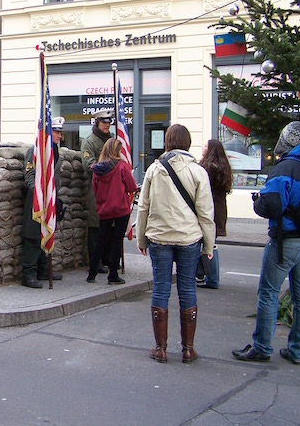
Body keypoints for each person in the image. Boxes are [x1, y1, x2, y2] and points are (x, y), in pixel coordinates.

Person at [232, 121, 300, 365]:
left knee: (268, 293)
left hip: (285, 241)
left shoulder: (284, 169)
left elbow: (270, 206)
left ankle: (262, 347)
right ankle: (298, 350)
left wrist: (257, 202)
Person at [136, 124, 215, 364]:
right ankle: (188, 349)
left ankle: (160, 348)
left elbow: (143, 207)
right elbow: (206, 213)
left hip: (159, 238)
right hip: (189, 238)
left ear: (168, 142)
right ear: (188, 142)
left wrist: (141, 238)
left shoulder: (154, 169)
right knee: (188, 289)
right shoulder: (198, 172)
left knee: (161, 288)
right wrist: (209, 246)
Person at [21, 116, 65, 288]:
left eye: (60, 132)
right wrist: (42, 195)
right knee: (32, 237)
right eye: (56, 131)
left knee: (46, 233)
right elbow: (29, 177)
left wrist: (55, 198)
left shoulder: (55, 152)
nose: (59, 135)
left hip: (50, 201)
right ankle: (28, 274)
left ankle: (43, 269)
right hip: (36, 202)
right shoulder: (35, 152)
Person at [88, 138, 138, 285]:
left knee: (100, 240)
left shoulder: (97, 169)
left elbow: (95, 189)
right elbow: (131, 186)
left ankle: (92, 273)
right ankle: (113, 275)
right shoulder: (122, 166)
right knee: (116, 242)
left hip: (104, 209)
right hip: (121, 208)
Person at [81, 108, 114, 275]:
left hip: (112, 189)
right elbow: (89, 166)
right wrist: (110, 168)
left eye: (109, 122)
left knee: (111, 225)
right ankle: (96, 259)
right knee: (96, 225)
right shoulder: (89, 142)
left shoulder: (112, 141)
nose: (107, 125)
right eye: (104, 122)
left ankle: (108, 257)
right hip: (96, 188)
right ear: (97, 123)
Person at [197, 139, 233, 289]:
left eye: (205, 145)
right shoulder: (222, 167)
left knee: (209, 243)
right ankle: (210, 276)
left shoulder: (208, 168)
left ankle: (211, 277)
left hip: (210, 209)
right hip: (218, 209)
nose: (203, 147)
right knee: (210, 242)